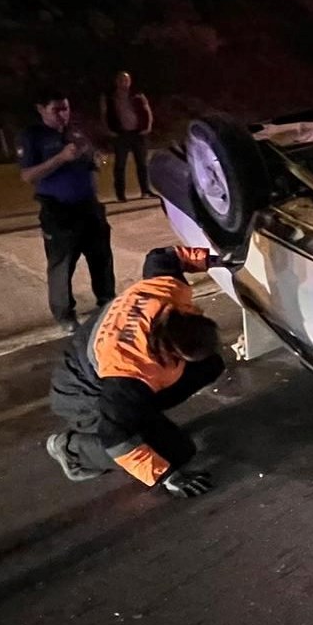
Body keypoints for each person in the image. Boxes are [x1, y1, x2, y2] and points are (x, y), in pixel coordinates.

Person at [45, 245, 229, 498]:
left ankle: (144, 418)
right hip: (81, 396)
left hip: (105, 373)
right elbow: (114, 434)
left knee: (211, 365)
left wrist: (216, 259)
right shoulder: (129, 371)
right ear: (172, 351)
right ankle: (73, 449)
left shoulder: (165, 293)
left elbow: (163, 256)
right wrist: (166, 476)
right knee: (176, 453)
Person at [19, 88, 115, 332]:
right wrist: (60, 158)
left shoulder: (77, 130)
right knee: (62, 265)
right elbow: (28, 175)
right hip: (58, 211)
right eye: (56, 109)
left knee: (101, 259)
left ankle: (107, 305)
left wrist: (96, 159)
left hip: (89, 206)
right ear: (41, 109)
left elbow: (92, 160)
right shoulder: (34, 136)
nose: (63, 114)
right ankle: (65, 315)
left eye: (66, 108)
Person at [100, 71, 154, 201]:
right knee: (120, 165)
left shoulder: (137, 95)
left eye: (126, 80)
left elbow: (147, 109)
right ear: (116, 82)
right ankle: (120, 194)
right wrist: (108, 129)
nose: (124, 83)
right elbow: (104, 113)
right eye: (121, 80)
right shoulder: (109, 97)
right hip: (121, 134)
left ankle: (145, 191)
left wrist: (148, 125)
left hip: (138, 133)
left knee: (142, 163)